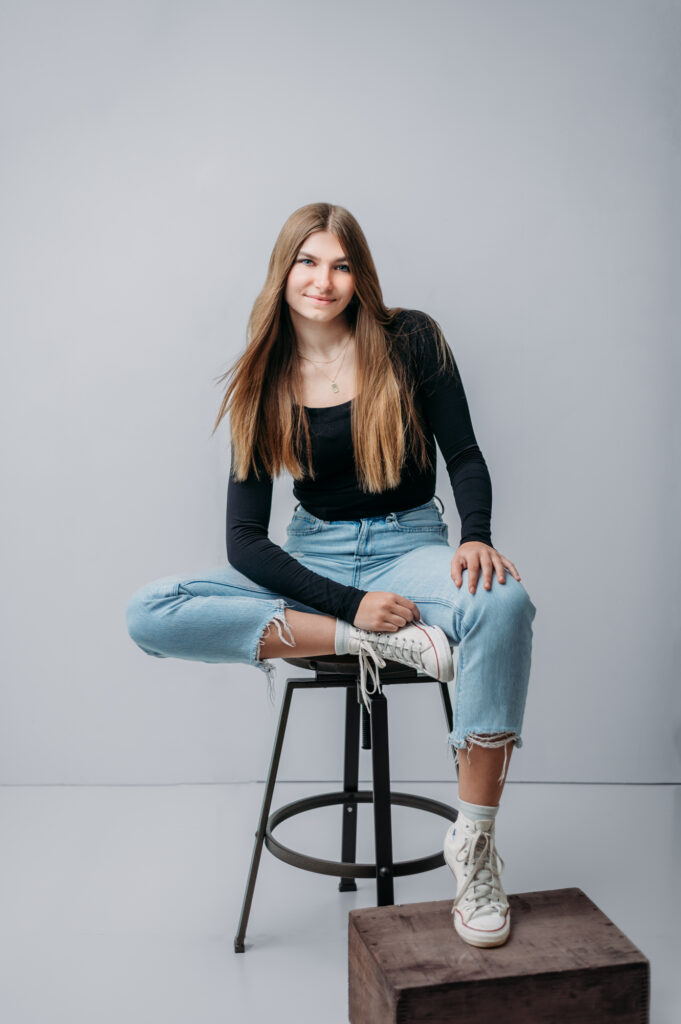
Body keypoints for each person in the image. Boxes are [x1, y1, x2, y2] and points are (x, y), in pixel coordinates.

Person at [126, 202, 536, 949]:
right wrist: (353, 611)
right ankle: (368, 641)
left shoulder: (411, 338)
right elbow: (246, 541)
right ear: (283, 272)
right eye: (307, 262)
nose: (324, 280)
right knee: (151, 612)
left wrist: (474, 536)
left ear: (360, 275)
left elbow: (464, 455)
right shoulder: (262, 378)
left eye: (341, 264)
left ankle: (474, 849)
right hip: (312, 561)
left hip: (410, 544)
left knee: (505, 605)